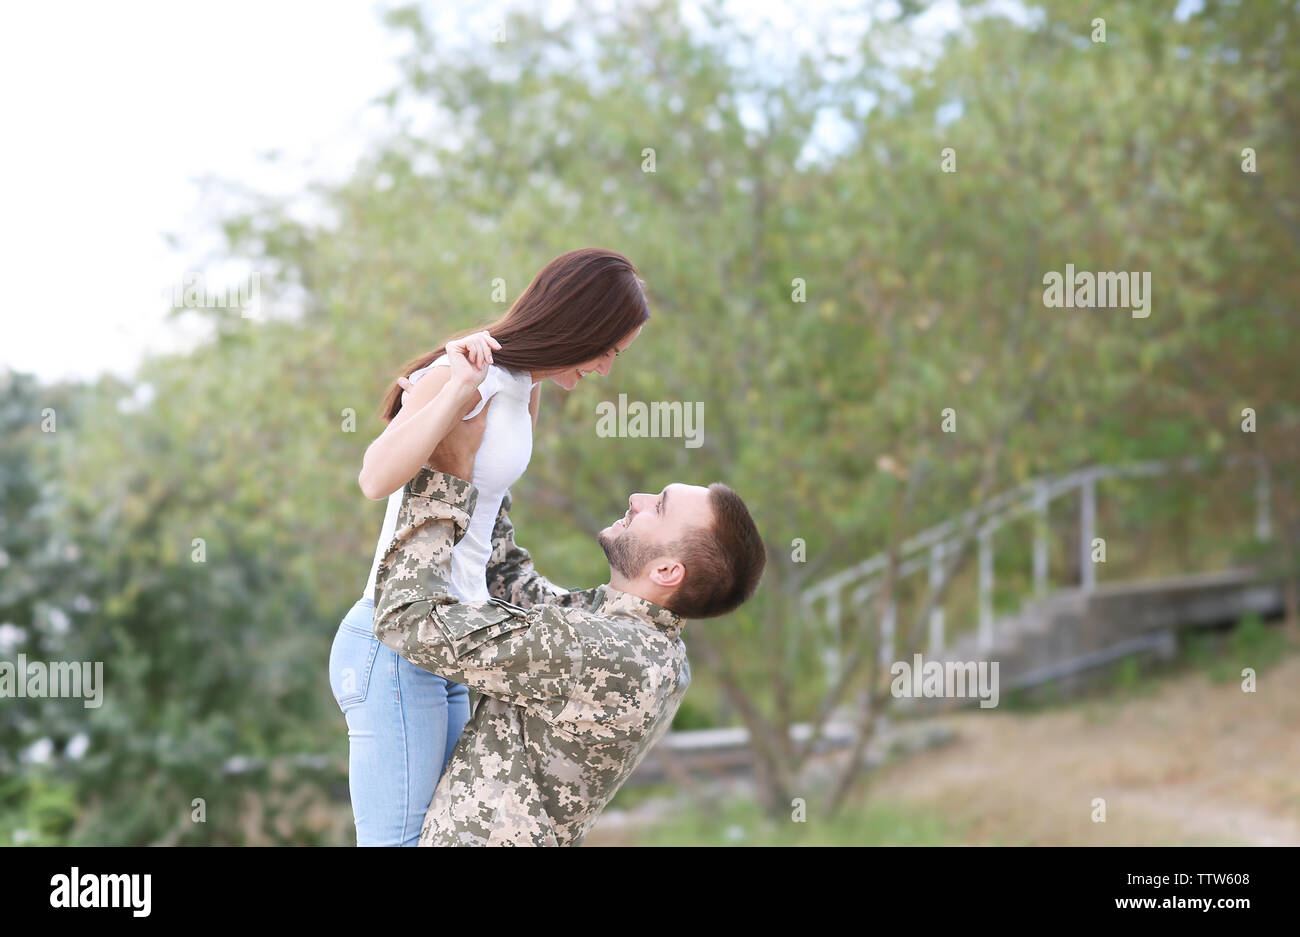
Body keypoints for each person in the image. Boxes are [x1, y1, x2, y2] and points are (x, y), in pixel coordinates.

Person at [370, 345, 767, 846]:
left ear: (668, 569)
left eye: (658, 507)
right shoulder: (640, 642)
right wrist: (494, 456)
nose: (637, 499)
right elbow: (506, 578)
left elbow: (409, 619)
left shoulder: (611, 652)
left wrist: (445, 473)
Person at [328, 247, 647, 846]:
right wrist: (454, 393)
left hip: (451, 636)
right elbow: (374, 478)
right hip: (392, 642)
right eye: (609, 349)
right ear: (579, 323)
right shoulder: (467, 375)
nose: (606, 368)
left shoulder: (524, 386)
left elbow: (490, 529)